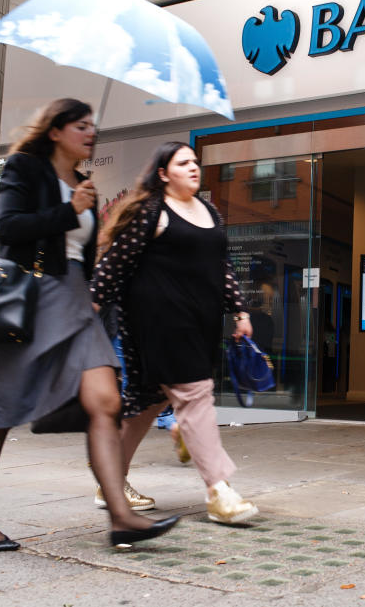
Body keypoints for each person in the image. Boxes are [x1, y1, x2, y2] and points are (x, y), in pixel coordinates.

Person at [0, 99, 179, 551]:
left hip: (77, 300)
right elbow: (9, 228)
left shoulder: (84, 183)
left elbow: (83, 253)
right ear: (56, 131)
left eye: (92, 127)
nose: (90, 134)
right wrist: (67, 210)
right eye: (81, 126)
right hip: (32, 302)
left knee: (105, 402)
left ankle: (121, 516)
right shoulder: (24, 167)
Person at [91, 141, 258, 524]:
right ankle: (219, 491)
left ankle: (109, 479)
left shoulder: (209, 211)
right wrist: (88, 312)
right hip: (159, 321)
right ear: (163, 173)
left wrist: (239, 309)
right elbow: (114, 265)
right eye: (183, 163)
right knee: (195, 396)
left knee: (146, 405)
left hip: (200, 322)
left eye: (195, 162)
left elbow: (223, 266)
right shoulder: (152, 211)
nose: (194, 168)